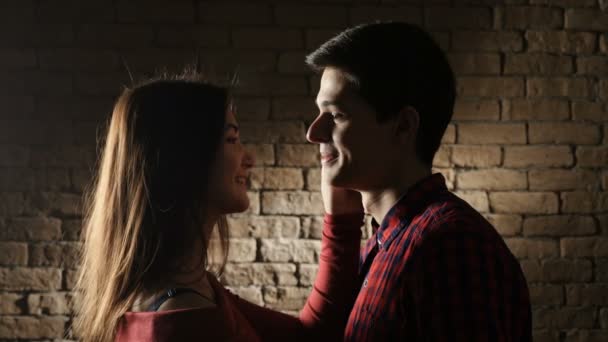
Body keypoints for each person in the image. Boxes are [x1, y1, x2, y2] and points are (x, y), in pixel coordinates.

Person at [73, 72, 365, 342]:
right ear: (186, 159)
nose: (248, 158)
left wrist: (340, 217)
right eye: (232, 139)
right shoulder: (187, 319)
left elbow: (307, 337)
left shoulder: (188, 289)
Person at [305, 22, 532, 341]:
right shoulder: (387, 241)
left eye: (337, 115)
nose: (313, 133)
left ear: (403, 126)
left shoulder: (451, 245)